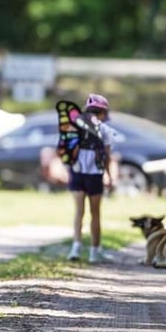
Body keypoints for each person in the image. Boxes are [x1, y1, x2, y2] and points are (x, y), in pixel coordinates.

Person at [66, 94, 116, 263]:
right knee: (95, 214)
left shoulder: (75, 126)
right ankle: (94, 252)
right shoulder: (105, 130)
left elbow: (67, 150)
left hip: (77, 172)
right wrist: (109, 176)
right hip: (95, 174)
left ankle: (76, 248)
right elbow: (107, 157)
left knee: (79, 212)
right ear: (103, 112)